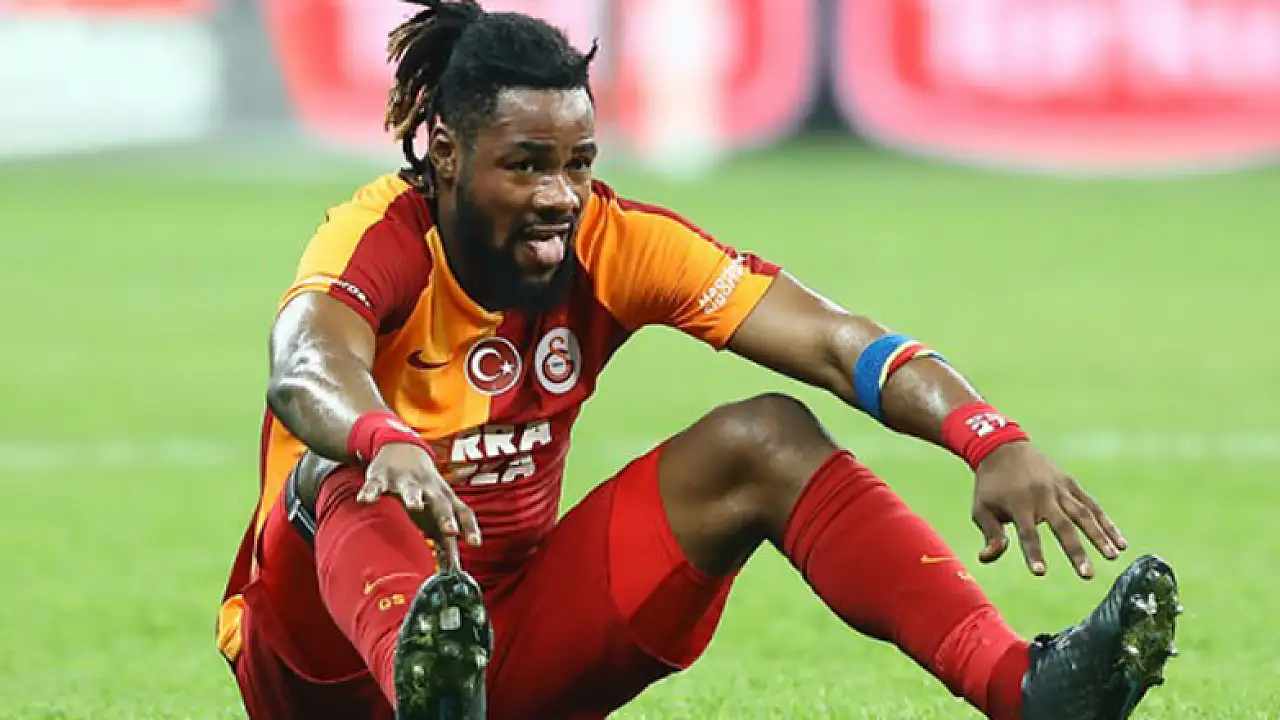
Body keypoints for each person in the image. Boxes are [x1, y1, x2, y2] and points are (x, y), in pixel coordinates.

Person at [215, 2, 1181, 718]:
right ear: (446, 153)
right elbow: (306, 362)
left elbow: (831, 339)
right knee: (335, 468)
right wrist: (382, 437)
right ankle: (426, 684)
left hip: (504, 647)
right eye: (526, 164)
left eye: (579, 163)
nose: (560, 195)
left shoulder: (613, 243)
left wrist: (988, 436)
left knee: (766, 438)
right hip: (322, 665)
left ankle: (1022, 689)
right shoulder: (379, 235)